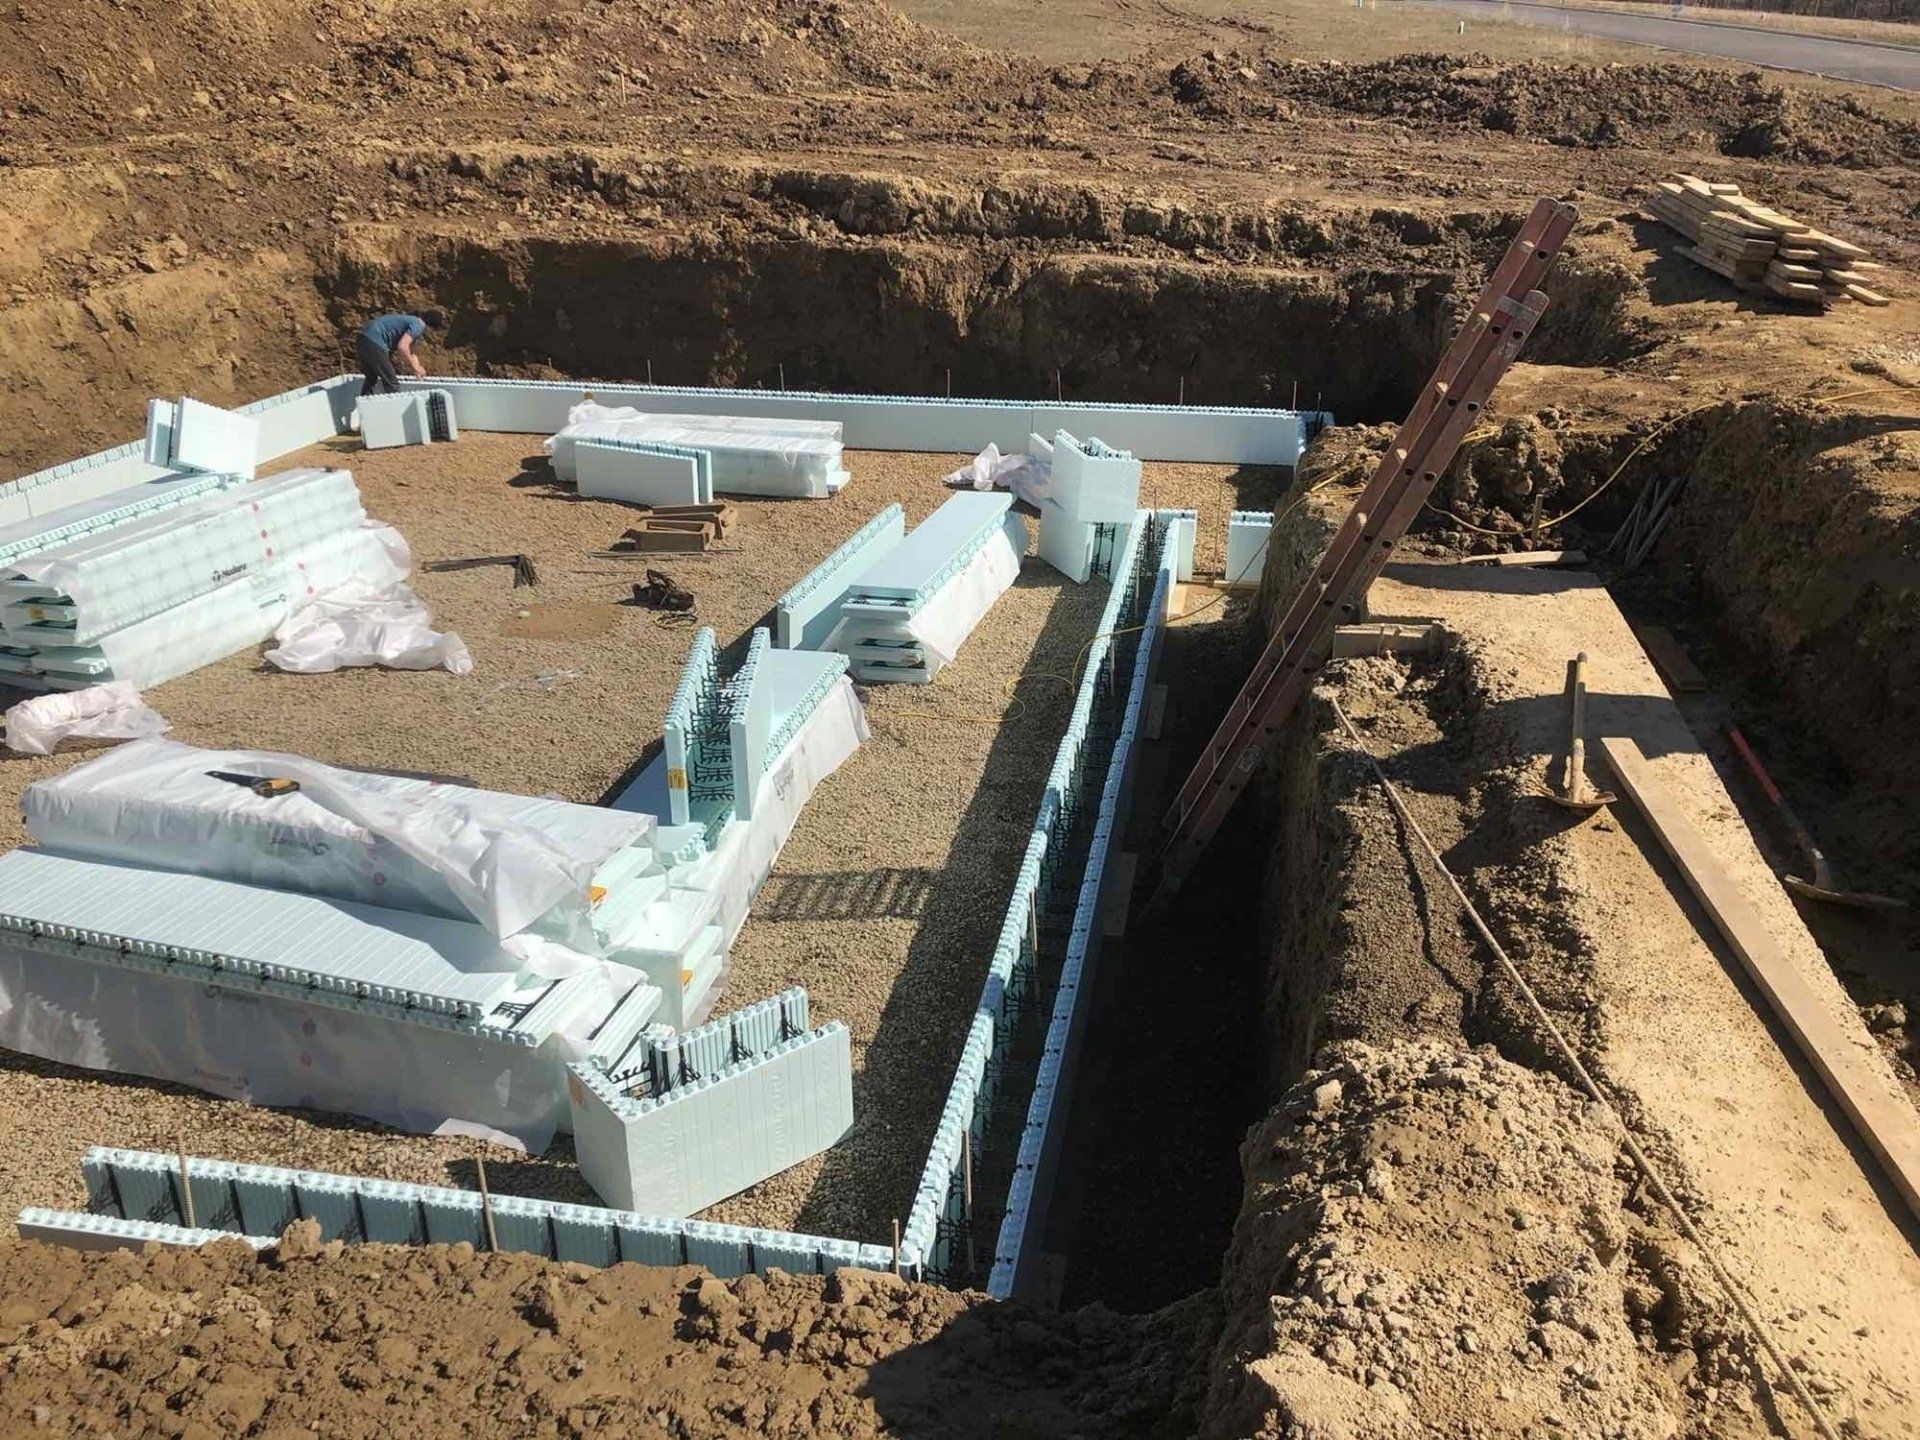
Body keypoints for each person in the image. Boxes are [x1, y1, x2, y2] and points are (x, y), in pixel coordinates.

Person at [356, 310, 443, 396]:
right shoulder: (418, 325)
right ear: (431, 327)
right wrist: (415, 368)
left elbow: (411, 352)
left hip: (363, 338)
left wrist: (417, 368)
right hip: (374, 341)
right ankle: (392, 409)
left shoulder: (412, 320)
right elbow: (402, 346)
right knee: (392, 383)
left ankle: (364, 404)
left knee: (372, 377)